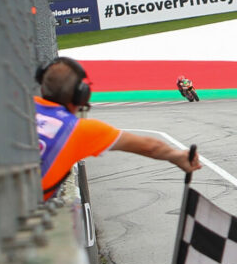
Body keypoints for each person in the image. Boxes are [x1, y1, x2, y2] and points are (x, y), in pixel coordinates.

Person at [35, 57, 201, 200]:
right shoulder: (79, 129)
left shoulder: (23, 107)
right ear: (81, 95)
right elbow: (150, 147)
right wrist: (178, 156)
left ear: (41, 86)